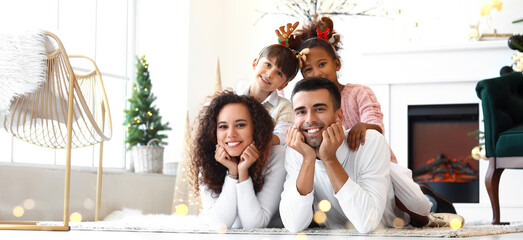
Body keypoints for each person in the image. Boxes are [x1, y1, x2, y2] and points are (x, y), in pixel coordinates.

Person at [291, 16, 458, 224]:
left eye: (322, 64)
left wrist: (361, 126)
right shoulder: (306, 109)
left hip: (372, 161)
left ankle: (431, 203)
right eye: (308, 69)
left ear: (337, 63)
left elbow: (376, 125)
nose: (317, 72)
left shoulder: (358, 93)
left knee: (410, 203)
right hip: (341, 166)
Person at [279, 77, 464, 233]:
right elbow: (294, 225)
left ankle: (430, 200)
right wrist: (309, 159)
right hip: (354, 213)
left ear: (339, 116)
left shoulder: (369, 141)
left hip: (403, 208)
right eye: (301, 112)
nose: (309, 119)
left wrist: (329, 159)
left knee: (422, 207)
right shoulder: (297, 150)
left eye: (319, 109)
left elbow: (367, 224)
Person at [188, 91, 286, 229]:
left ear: (256, 128)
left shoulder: (277, 155)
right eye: (223, 127)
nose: (231, 134)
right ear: (214, 132)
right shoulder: (208, 159)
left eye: (240, 125)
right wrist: (232, 173)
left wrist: (243, 172)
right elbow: (219, 224)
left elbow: (254, 224)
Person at [242, 22, 302, 146]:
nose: (269, 74)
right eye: (268, 64)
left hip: (266, 156)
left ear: (283, 85)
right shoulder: (235, 99)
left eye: (279, 73)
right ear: (255, 63)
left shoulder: (283, 106)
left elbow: (283, 136)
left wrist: (250, 141)